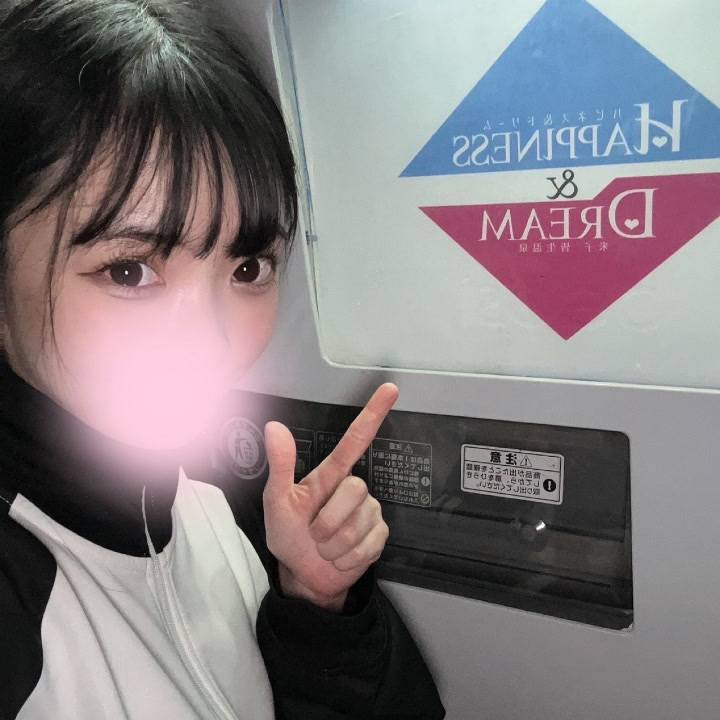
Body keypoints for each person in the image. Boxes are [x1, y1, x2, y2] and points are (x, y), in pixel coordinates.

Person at [0, 1, 446, 718]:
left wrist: (320, 607)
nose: (208, 340)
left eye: (247, 268)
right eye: (129, 271)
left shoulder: (225, 502)